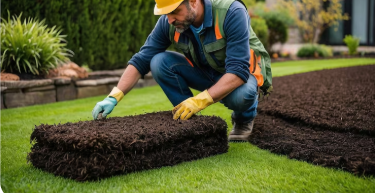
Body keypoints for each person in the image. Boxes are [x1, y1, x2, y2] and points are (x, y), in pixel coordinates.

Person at [92, 0, 272, 141]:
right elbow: (142, 59)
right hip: (206, 72)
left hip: (239, 75)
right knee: (158, 61)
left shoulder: (231, 12)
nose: (169, 19)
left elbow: (239, 70)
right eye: (165, 13)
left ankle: (244, 118)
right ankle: (190, 125)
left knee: (243, 96)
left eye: (174, 11)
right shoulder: (168, 22)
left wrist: (199, 101)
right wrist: (114, 96)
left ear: (193, 2)